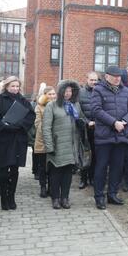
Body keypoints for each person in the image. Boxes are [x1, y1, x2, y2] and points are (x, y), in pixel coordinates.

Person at [91, 66, 128, 209]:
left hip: (121, 135)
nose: (117, 78)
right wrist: (113, 122)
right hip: (104, 136)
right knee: (101, 167)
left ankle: (112, 194)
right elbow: (96, 110)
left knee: (117, 167)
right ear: (107, 77)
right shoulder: (98, 90)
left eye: (119, 76)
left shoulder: (125, 90)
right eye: (114, 76)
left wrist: (124, 121)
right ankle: (99, 197)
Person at [0, 76, 35, 210]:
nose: (15, 88)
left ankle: (11, 197)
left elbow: (31, 116)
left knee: (14, 169)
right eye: (12, 86)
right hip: (3, 139)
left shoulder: (24, 100)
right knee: (3, 170)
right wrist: (4, 126)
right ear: (7, 86)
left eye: (17, 86)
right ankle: (3, 198)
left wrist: (20, 125)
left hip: (18, 139)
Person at [43, 80, 85, 210]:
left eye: (70, 91)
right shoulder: (52, 106)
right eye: (65, 91)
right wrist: (49, 146)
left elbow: (81, 119)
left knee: (67, 173)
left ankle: (65, 198)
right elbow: (46, 127)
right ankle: (55, 198)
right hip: (58, 145)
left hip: (72, 145)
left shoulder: (75, 105)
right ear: (60, 92)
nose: (68, 93)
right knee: (56, 172)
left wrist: (81, 123)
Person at [33, 86, 56, 198]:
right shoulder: (39, 107)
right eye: (49, 94)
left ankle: (52, 187)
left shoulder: (57, 105)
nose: (52, 96)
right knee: (42, 166)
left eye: (53, 94)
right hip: (42, 140)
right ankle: (43, 186)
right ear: (45, 95)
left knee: (52, 166)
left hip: (55, 140)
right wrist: (48, 127)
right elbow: (37, 123)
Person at [80, 72, 99, 190]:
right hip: (85, 129)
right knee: (85, 154)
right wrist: (87, 122)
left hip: (98, 128)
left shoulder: (100, 92)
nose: (93, 82)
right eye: (91, 80)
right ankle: (83, 179)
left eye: (95, 80)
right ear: (86, 79)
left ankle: (92, 178)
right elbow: (78, 110)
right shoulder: (80, 93)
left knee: (96, 155)